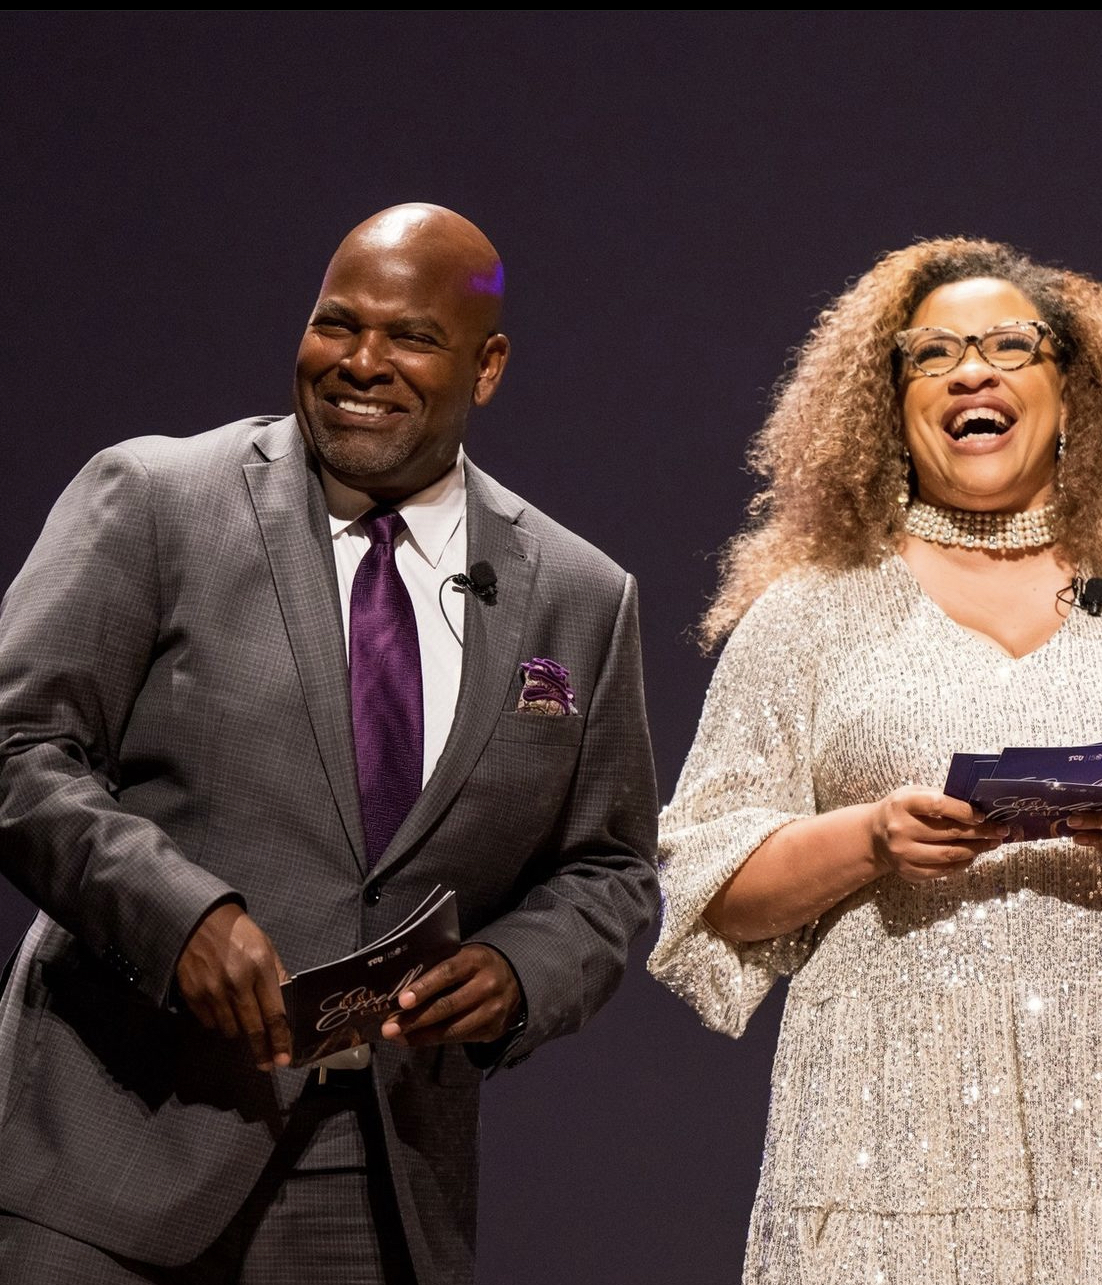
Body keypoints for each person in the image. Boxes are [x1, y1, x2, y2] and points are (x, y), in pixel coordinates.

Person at [0, 203, 658, 1283]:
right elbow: (20, 746)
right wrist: (181, 917)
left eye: (411, 338)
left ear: (486, 367)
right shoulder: (158, 500)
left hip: (375, 1177)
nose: (362, 362)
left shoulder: (582, 597)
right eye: (335, 324)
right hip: (110, 1142)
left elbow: (612, 865)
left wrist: (518, 969)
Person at [648, 237, 1102, 1284]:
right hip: (885, 1154)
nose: (970, 372)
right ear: (889, 405)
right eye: (931, 355)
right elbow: (713, 889)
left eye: (1006, 347)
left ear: (1070, 390)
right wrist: (870, 836)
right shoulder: (809, 612)